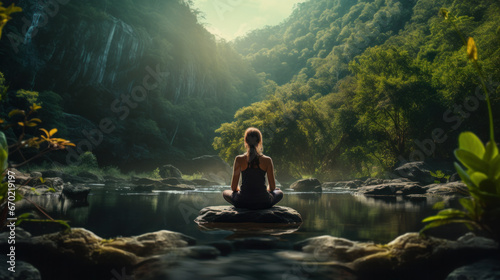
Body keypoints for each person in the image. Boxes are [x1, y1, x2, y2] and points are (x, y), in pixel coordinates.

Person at [223, 127, 283, 209]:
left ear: (246, 141)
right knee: (279, 192)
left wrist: (243, 192)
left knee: (226, 192)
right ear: (259, 141)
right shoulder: (267, 160)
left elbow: (233, 188)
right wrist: (266, 191)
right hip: (263, 202)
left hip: (242, 201)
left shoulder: (239, 159)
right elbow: (272, 187)